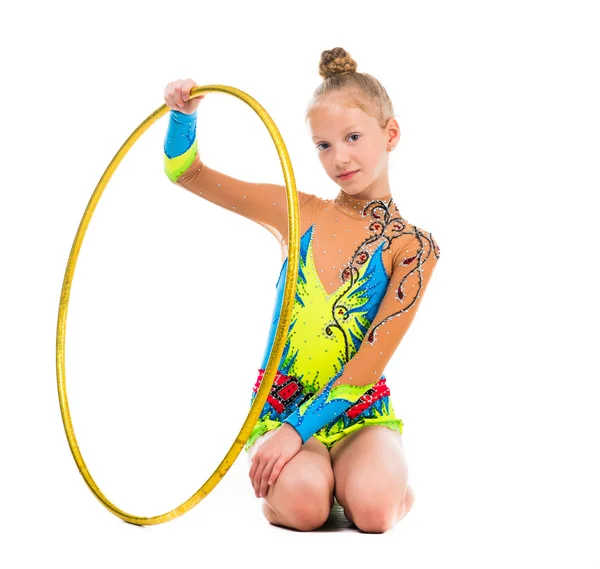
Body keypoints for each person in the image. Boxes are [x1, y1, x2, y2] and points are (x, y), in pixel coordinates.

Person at [162, 47, 441, 533]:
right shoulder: (298, 212)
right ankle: (315, 485)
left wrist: (299, 432)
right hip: (281, 404)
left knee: (375, 514)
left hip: (359, 408)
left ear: (390, 133)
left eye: (353, 137)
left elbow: (369, 363)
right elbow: (185, 173)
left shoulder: (413, 248)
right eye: (324, 145)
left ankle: (379, 488)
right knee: (308, 508)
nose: (340, 158)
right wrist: (182, 118)